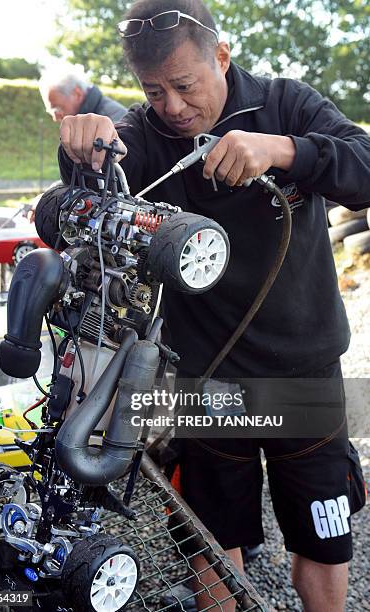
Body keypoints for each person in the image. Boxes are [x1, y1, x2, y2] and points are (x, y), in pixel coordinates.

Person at [56, 1, 370, 610]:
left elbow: (365, 165)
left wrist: (283, 151)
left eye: (184, 84)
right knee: (210, 539)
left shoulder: (286, 103)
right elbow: (87, 203)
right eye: (153, 90)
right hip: (204, 375)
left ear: (221, 56)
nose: (172, 106)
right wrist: (81, 149)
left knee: (323, 538)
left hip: (302, 370)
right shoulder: (143, 136)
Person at [38, 67, 126, 123]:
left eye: (57, 109)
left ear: (77, 94)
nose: (55, 118)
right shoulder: (80, 121)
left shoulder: (116, 120)